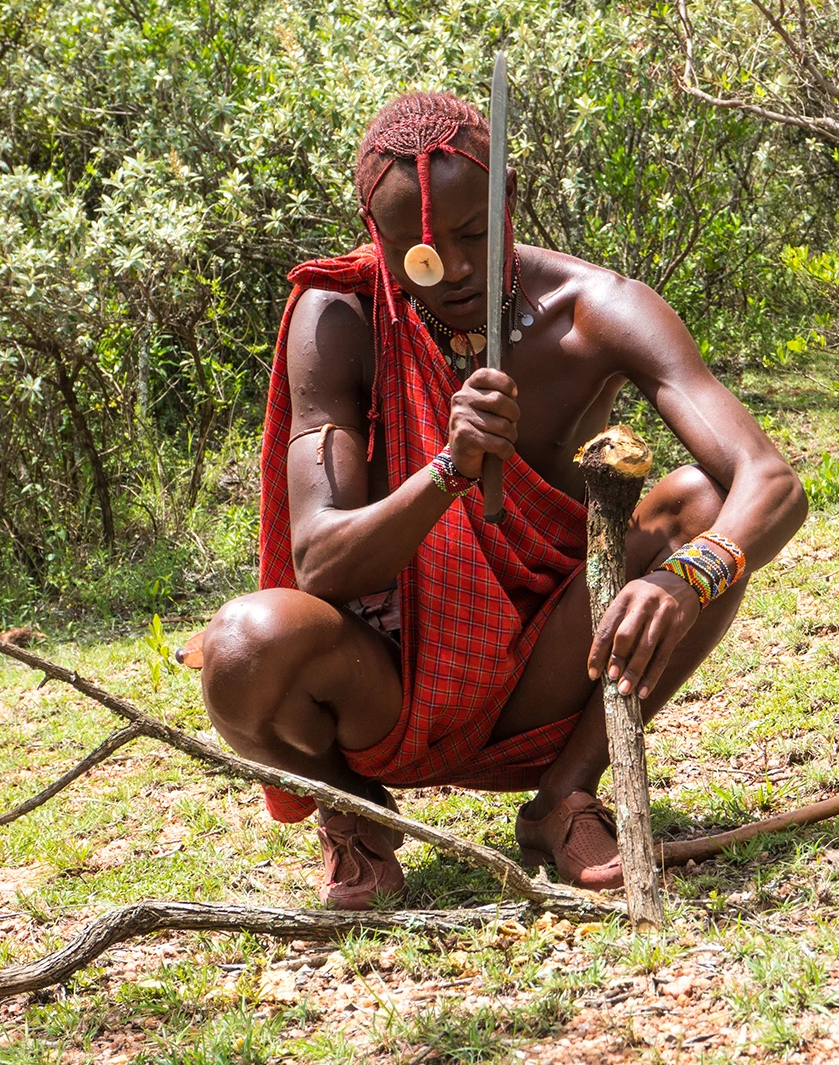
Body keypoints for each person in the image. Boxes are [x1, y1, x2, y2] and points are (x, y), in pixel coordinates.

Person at [188, 90, 807, 908]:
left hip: (546, 665)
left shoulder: (597, 310)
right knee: (240, 643)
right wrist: (448, 467)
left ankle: (565, 798)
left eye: (476, 235)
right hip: (385, 683)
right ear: (380, 238)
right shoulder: (339, 316)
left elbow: (769, 481)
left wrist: (690, 575)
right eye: (422, 255)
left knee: (700, 503)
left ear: (508, 197)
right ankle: (358, 814)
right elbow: (320, 562)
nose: (458, 271)